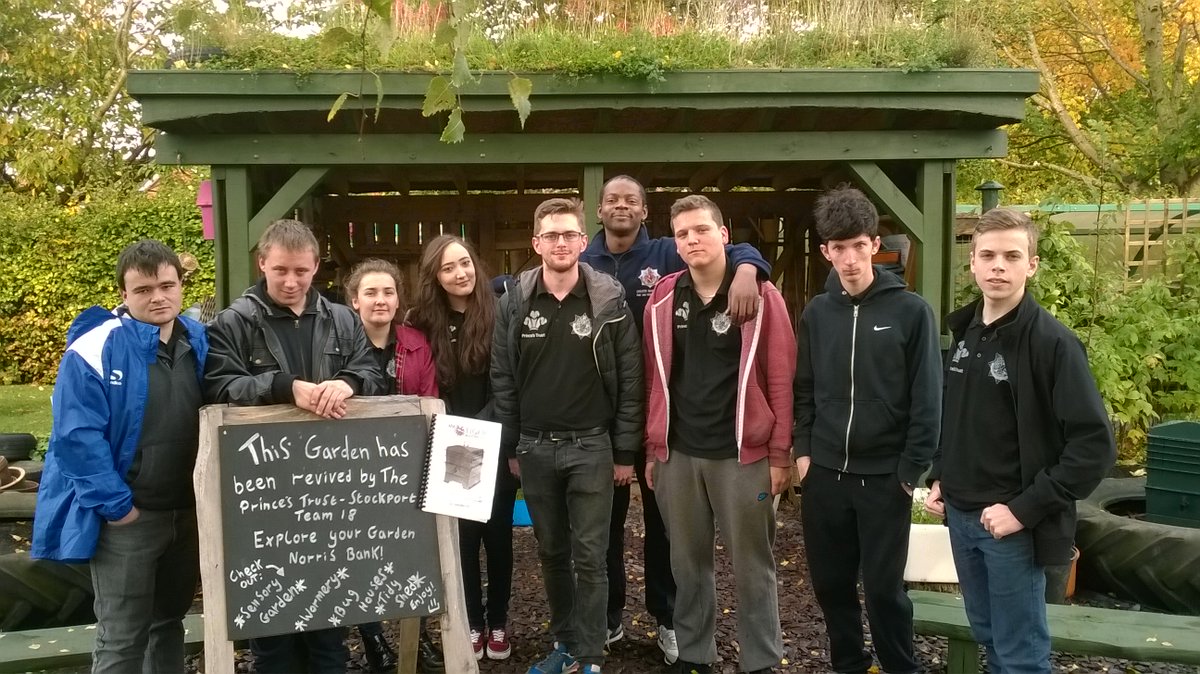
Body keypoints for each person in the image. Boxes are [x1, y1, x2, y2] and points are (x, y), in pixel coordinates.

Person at [581, 175, 771, 664]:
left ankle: (670, 622)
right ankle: (612, 618)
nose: (621, 206)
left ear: (645, 211)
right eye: (612, 200)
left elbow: (726, 244)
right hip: (613, 418)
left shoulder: (666, 252)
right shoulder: (583, 261)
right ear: (598, 211)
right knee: (608, 529)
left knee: (671, 536)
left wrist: (749, 267)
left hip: (680, 422)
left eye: (632, 200)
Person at [923, 208, 1115, 674]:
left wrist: (1023, 510)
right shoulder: (966, 333)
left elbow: (1093, 447)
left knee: (1020, 655)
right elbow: (957, 415)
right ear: (972, 263)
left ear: (1032, 265)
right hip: (961, 517)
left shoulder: (1053, 344)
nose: (998, 266)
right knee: (989, 636)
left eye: (1012, 256)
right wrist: (941, 475)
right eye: (988, 255)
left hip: (1012, 527)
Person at [205, 219, 386, 673]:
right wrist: (284, 387)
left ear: (316, 267)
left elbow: (372, 371)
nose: (291, 281)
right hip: (262, 490)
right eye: (281, 270)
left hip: (329, 489)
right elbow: (218, 386)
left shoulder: (343, 319)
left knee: (330, 623)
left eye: (301, 271)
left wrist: (348, 382)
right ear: (262, 263)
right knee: (272, 630)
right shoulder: (233, 322)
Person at [32, 240, 208, 674]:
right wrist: (117, 507)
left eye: (167, 285)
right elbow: (76, 438)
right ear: (124, 294)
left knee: (168, 625)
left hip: (187, 514)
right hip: (129, 519)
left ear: (180, 286)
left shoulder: (200, 339)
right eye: (143, 289)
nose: (158, 297)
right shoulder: (94, 348)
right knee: (122, 638)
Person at [642, 195, 794, 674]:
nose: (692, 239)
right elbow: (653, 379)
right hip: (679, 455)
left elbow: (781, 378)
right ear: (675, 243)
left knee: (753, 566)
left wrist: (779, 455)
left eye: (702, 229)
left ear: (724, 235)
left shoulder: (761, 296)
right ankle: (694, 654)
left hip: (742, 456)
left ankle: (761, 659)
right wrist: (653, 447)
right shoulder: (663, 298)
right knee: (686, 566)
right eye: (682, 234)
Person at [793, 185, 941, 674]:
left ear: (875, 244)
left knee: (883, 590)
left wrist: (910, 470)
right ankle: (849, 665)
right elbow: (803, 388)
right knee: (831, 586)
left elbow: (927, 397)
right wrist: (804, 453)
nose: (851, 259)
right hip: (825, 475)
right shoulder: (817, 313)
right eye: (840, 248)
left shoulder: (911, 312)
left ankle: (901, 667)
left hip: (884, 478)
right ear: (826, 251)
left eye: (859, 245)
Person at [491, 197, 643, 674]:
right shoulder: (514, 301)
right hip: (535, 448)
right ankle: (564, 644)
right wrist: (513, 444)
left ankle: (591, 657)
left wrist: (625, 452)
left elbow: (631, 380)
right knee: (552, 552)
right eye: (551, 235)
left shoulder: (608, 300)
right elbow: (503, 378)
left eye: (569, 234)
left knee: (591, 556)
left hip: (592, 447)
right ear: (537, 243)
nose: (561, 243)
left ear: (582, 240)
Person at [410, 234, 519, 662]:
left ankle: (499, 621)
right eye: (449, 267)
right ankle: (472, 621)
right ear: (435, 277)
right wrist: (452, 431)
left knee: (498, 537)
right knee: (463, 540)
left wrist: (480, 431)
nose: (461, 273)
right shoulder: (423, 323)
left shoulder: (499, 312)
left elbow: (507, 382)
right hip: (447, 443)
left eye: (465, 263)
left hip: (494, 439)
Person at [343, 258, 444, 674]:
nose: (380, 300)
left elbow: (430, 402)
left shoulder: (417, 344)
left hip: (408, 464)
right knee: (359, 555)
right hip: (350, 468)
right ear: (354, 300)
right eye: (370, 292)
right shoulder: (340, 345)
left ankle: (416, 637)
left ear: (399, 299)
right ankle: (373, 639)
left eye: (388, 292)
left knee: (411, 552)